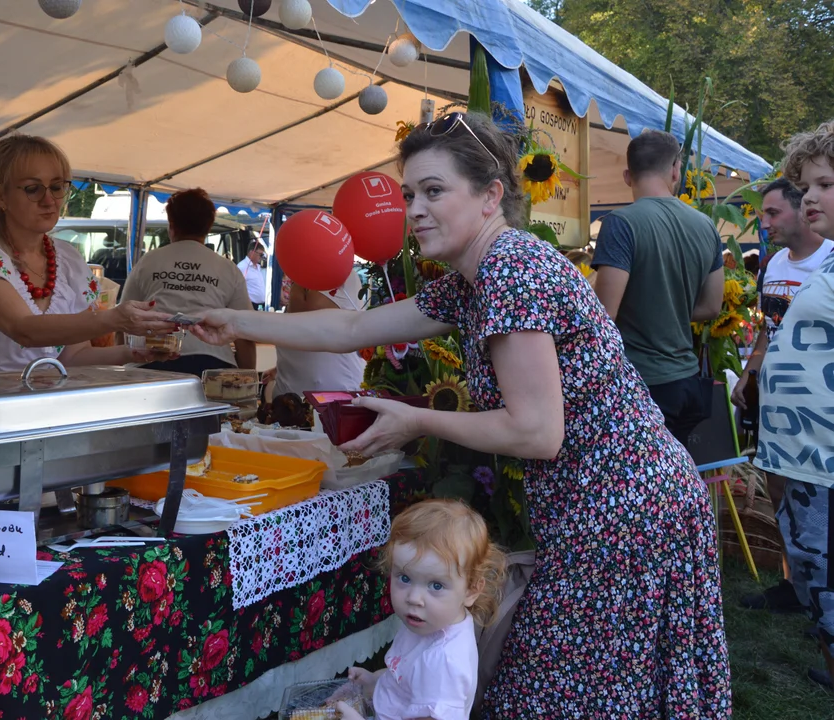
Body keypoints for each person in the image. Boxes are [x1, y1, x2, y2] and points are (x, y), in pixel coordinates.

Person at [191, 111, 731, 717]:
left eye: (434, 191)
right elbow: (353, 326)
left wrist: (416, 419)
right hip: (614, 502)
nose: (414, 210)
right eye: (409, 195)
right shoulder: (475, 276)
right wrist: (236, 321)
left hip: (625, 509)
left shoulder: (510, 269)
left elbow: (536, 431)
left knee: (564, 692)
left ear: (490, 194)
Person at [0, 134, 175, 375]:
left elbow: (73, 356)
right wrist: (115, 319)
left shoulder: (68, 258)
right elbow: (24, 329)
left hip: (37, 402)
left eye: (56, 187)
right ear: (0, 194)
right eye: (33, 189)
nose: (49, 201)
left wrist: (134, 353)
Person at [754, 120, 834, 689]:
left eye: (826, 184)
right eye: (807, 186)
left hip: (824, 457)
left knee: (824, 575)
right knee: (815, 577)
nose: (811, 198)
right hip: (803, 458)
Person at [732, 177, 832, 615]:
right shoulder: (771, 265)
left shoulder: (829, 258)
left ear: (800, 209)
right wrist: (749, 374)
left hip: (818, 407)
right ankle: (796, 583)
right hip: (776, 399)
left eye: (773, 213)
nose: (764, 222)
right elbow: (767, 333)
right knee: (775, 487)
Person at [591, 130, 725, 445]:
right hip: (689, 382)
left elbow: (603, 315)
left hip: (641, 385)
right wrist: (669, 312)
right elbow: (712, 307)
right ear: (676, 170)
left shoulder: (620, 223)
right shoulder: (705, 226)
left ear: (627, 175)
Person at [336, 500, 505, 720]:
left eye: (436, 585)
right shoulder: (429, 622)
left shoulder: (444, 664)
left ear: (471, 590)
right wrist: (376, 680)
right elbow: (407, 674)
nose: (414, 599)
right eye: (404, 578)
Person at [118, 188, 255, 376]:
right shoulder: (228, 269)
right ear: (209, 226)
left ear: (171, 224)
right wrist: (247, 380)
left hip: (151, 364)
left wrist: (120, 366)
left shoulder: (148, 261)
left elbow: (122, 320)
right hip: (213, 365)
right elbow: (244, 331)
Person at [263, 269, 366, 399]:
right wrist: (280, 369)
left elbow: (307, 321)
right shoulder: (303, 281)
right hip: (290, 404)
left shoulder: (339, 275)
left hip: (333, 405)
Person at [237, 240, 267, 309]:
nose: (262, 257)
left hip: (262, 306)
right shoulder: (242, 267)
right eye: (260, 254)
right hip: (250, 306)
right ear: (252, 253)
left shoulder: (260, 267)